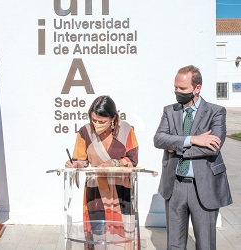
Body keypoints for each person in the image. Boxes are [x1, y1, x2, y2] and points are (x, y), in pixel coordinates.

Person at [154, 65, 232, 250]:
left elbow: (213, 146)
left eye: (182, 89)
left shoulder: (216, 111)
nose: (177, 92)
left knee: (205, 244)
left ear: (197, 88)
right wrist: (194, 139)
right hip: (175, 186)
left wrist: (177, 147)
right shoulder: (169, 111)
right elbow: (159, 139)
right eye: (175, 87)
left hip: (204, 187)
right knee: (174, 245)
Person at [65, 95, 139, 249]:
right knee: (97, 232)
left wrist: (115, 163)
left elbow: (132, 159)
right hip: (95, 190)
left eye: (102, 121)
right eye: (94, 120)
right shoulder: (85, 132)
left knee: (122, 234)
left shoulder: (126, 130)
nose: (97, 124)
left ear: (113, 118)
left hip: (121, 189)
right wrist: (76, 163)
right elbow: (81, 159)